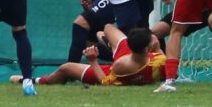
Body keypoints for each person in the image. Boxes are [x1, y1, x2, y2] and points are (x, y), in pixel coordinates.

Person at [11, 24, 165, 86]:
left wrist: (93, 61)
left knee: (66, 68)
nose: (154, 39)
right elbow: (167, 70)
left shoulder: (120, 65)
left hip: (113, 70)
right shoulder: (159, 60)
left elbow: (105, 82)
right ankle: (108, 44)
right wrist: (157, 48)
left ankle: (33, 80)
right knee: (106, 29)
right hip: (132, 60)